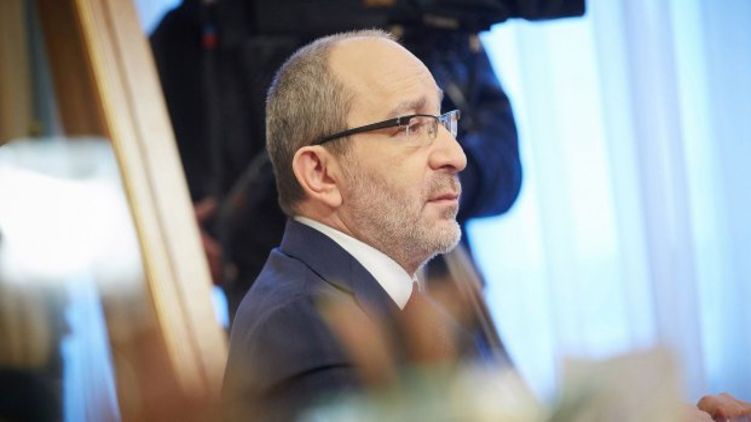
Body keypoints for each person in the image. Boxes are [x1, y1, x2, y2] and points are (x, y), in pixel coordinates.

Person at [223, 29, 479, 419]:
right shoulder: (304, 330)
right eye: (410, 125)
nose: (456, 155)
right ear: (320, 174)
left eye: (444, 121)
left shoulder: (370, 301)